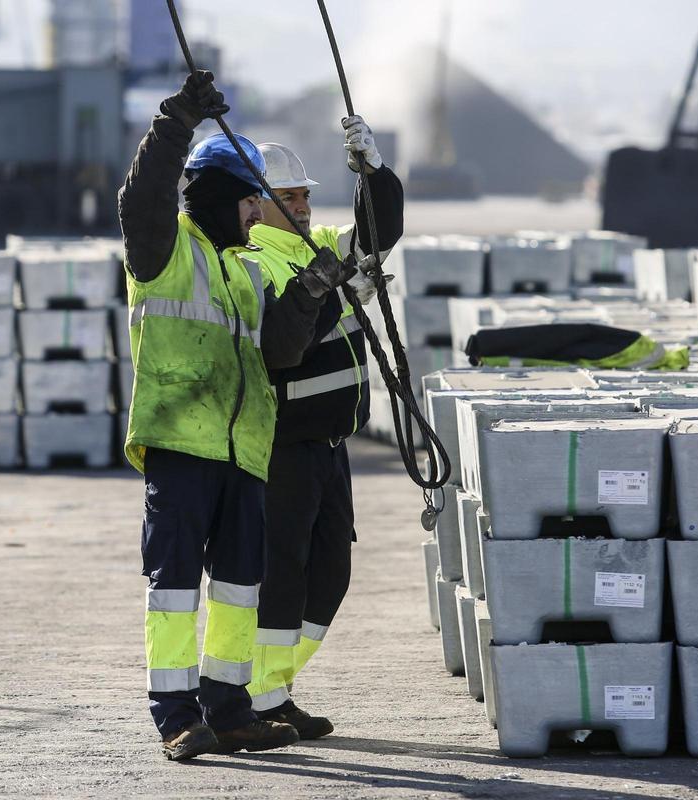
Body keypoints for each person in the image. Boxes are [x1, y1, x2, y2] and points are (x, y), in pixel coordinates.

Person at [118, 70, 359, 761]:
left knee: (236, 592)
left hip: (246, 452)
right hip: (181, 443)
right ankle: (175, 715)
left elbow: (280, 352)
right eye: (253, 201)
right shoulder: (164, 252)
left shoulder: (246, 268)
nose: (261, 214)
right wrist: (178, 120)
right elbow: (144, 195)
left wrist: (313, 288)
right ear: (225, 197)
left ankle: (229, 710)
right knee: (174, 591)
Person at [243, 127, 404, 738]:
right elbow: (284, 343)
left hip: (331, 444)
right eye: (292, 197)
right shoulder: (254, 261)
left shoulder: (314, 247)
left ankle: (272, 687)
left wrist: (375, 174)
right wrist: (340, 295)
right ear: (258, 203)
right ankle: (261, 696)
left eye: (306, 196)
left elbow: (375, 237)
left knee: (329, 574)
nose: (306, 208)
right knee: (282, 573)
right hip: (283, 444)